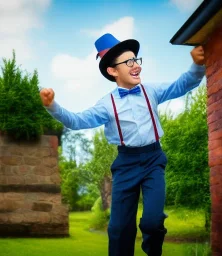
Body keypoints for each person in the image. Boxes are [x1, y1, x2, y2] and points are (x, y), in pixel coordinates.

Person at [40, 33, 205, 256]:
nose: (135, 65)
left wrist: (196, 65)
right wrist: (53, 106)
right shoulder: (106, 105)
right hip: (126, 164)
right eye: (128, 62)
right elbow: (77, 121)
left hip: (153, 159)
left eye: (136, 60)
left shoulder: (151, 91)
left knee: (152, 221)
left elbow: (181, 85)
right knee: (118, 228)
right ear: (113, 70)